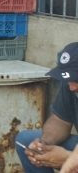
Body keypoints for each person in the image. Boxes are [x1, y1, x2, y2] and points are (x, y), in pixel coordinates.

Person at [16, 42, 78, 172]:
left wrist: (68, 159)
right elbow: (60, 120)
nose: (72, 87)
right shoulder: (71, 85)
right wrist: (43, 144)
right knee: (27, 141)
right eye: (69, 79)